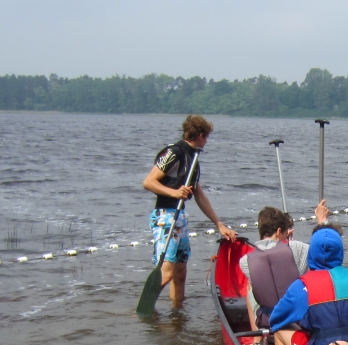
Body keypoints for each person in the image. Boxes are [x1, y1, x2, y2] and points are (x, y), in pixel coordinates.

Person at [141, 114, 236, 306]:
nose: (207, 141)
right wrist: (174, 193)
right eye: (206, 137)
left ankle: (177, 313)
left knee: (180, 273)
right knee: (166, 274)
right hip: (165, 217)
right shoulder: (174, 153)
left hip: (180, 218)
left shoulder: (193, 159)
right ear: (200, 136)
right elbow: (148, 182)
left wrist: (219, 224)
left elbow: (199, 195)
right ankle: (143, 311)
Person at [267, 227, 348, 345]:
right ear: (340, 252)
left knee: (280, 331)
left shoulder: (301, 286)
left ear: (312, 252)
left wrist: (303, 322)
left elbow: (275, 321)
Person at [239, 200, 330, 329]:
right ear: (278, 231)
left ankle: (257, 336)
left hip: (269, 322)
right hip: (297, 320)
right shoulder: (296, 248)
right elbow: (325, 248)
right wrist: (322, 220)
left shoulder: (245, 261)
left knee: (250, 288)